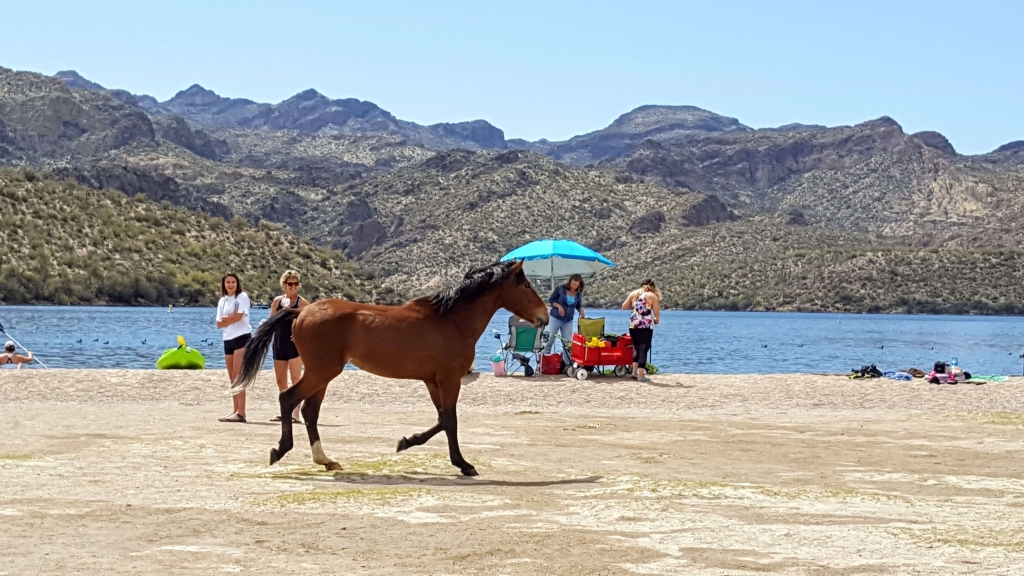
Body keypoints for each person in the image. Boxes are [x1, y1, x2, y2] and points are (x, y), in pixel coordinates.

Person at [270, 270, 309, 423]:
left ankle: (295, 414)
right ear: (284, 285)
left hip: (294, 346)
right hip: (279, 343)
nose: (292, 287)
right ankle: (285, 411)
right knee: (280, 380)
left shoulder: (303, 303)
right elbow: (271, 321)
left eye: (295, 284)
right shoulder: (277, 301)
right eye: (289, 284)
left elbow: (310, 323)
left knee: (295, 379)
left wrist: (301, 335)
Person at [216, 273, 252, 422]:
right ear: (224, 284)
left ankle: (241, 412)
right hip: (228, 339)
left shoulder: (242, 297)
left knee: (238, 376)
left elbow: (239, 317)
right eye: (228, 282)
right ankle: (235, 410)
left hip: (242, 338)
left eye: (233, 282)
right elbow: (218, 324)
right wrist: (229, 319)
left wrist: (227, 319)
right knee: (232, 377)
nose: (230, 285)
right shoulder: (222, 301)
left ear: (237, 284)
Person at [621, 278, 661, 382]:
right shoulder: (652, 296)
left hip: (633, 324)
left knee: (636, 347)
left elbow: (624, 307)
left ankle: (634, 372)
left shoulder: (633, 293)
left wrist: (635, 306)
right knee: (644, 348)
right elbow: (657, 312)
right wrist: (656, 319)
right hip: (645, 326)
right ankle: (641, 375)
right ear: (652, 287)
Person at [542, 274, 586, 360]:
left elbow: (578, 305)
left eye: (576, 285)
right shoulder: (560, 289)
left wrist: (581, 310)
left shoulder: (579, 294)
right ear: (570, 282)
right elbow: (551, 300)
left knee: (567, 343)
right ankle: (542, 362)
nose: (573, 286)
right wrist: (558, 306)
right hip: (555, 318)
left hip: (568, 321)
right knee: (548, 341)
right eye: (572, 284)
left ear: (579, 285)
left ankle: (567, 364)